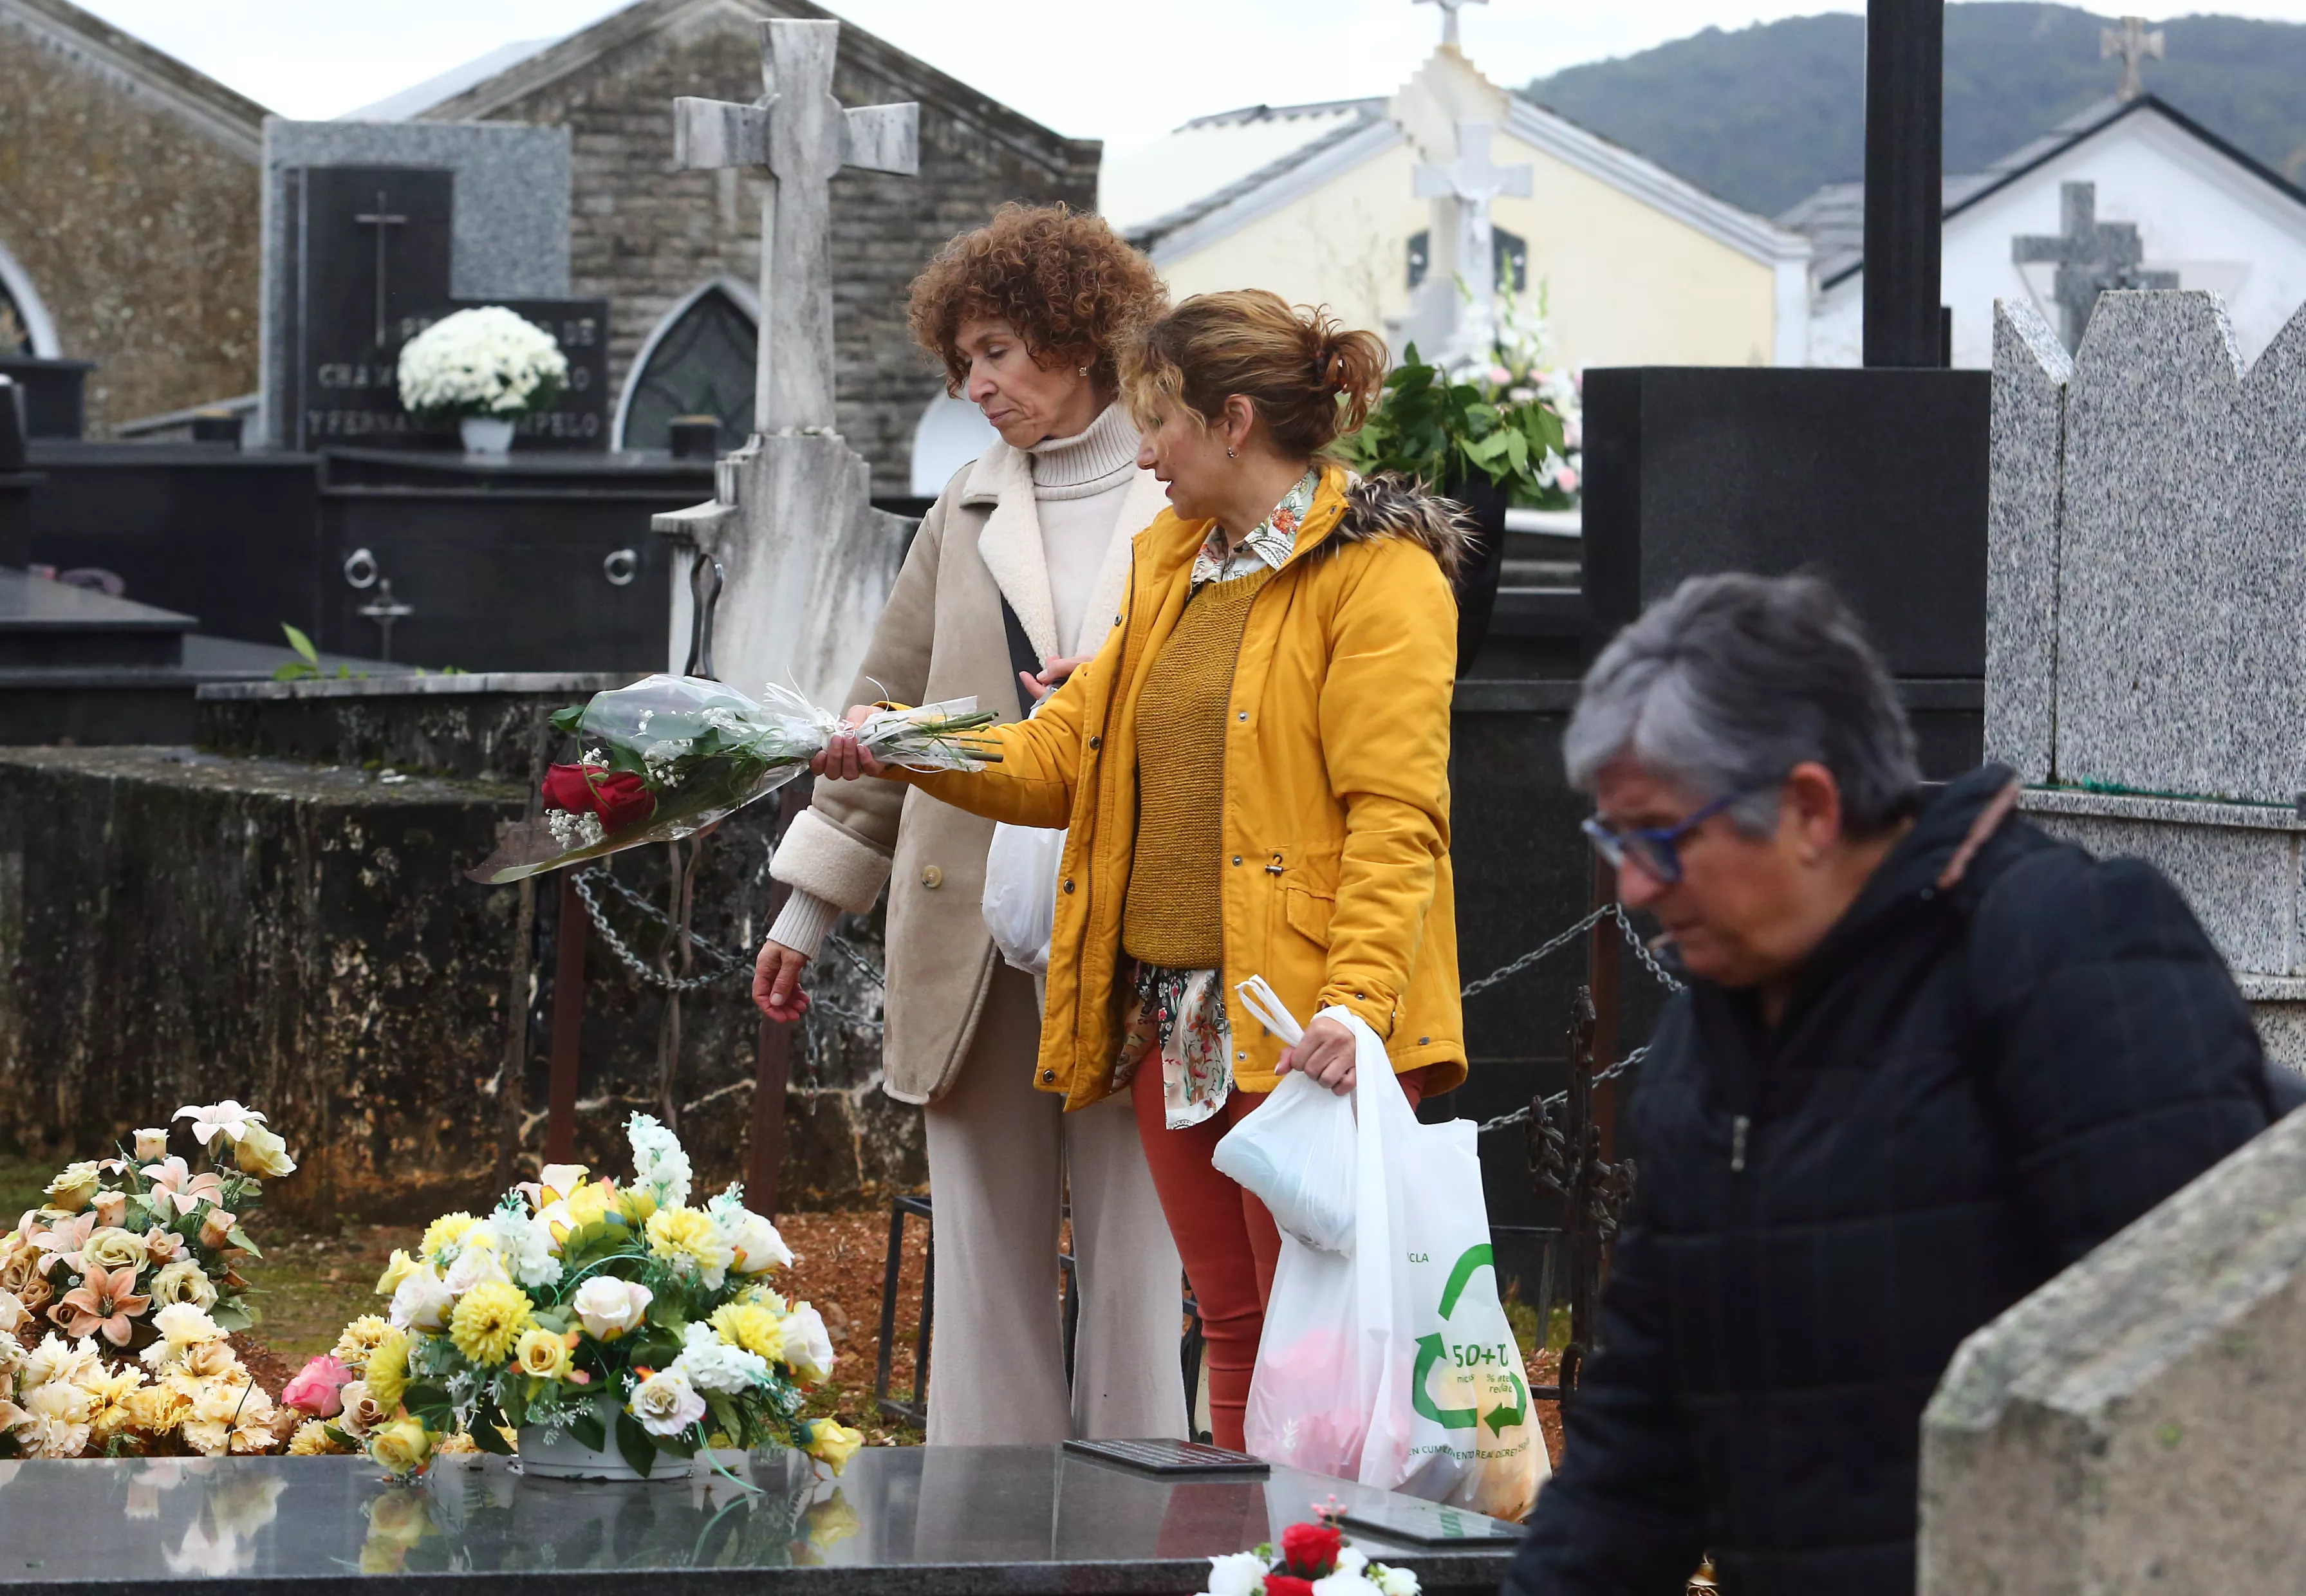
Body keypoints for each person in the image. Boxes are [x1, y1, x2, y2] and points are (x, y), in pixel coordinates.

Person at [1508, 572, 2277, 1595]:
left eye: (1658, 837)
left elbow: (2195, 1386)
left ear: (1809, 808)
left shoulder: (2063, 955)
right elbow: (1637, 1451)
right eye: (1614, 843)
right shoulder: (1712, 1032)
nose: (1636, 887)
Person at [808, 290, 1471, 1451]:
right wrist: (909, 744)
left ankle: (1323, 1564)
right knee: (1232, 1320)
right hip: (1182, 1020)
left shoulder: (1380, 578)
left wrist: (1354, 1007)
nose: (1142, 447)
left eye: (1157, 418)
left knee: (1320, 1340)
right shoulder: (1173, 566)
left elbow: (1394, 817)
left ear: (1232, 421)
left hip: (1301, 1015)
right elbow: (1066, 758)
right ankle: (1241, 1557)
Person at [750, 203, 1184, 1445]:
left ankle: (1133, 1525)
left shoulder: (1184, 489)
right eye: (963, 362)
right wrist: (810, 902)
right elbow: (882, 712)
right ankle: (982, 1527)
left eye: (997, 350)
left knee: (1137, 1253)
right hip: (966, 919)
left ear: (1078, 329)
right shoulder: (965, 507)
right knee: (984, 1256)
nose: (977, 385)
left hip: (1133, 918)